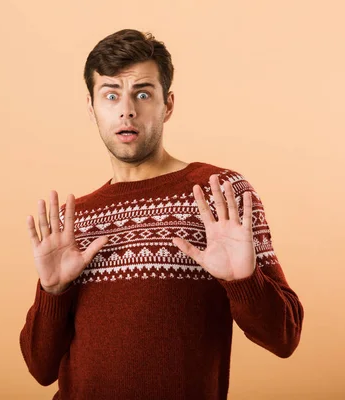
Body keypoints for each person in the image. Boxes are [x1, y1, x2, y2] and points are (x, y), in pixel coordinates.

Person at [20, 28, 304, 400]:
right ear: (91, 108)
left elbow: (284, 337)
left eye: (142, 93)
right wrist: (52, 292)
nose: (126, 109)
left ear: (167, 104)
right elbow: (41, 369)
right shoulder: (76, 220)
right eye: (110, 95)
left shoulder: (219, 194)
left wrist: (244, 281)